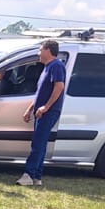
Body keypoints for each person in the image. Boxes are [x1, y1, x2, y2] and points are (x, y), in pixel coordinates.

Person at [16, 40, 67, 187]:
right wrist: (30, 109)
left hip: (49, 112)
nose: (38, 53)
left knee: (38, 143)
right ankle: (37, 176)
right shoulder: (47, 67)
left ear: (48, 51)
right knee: (41, 143)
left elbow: (59, 87)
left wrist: (46, 107)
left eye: (40, 50)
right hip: (41, 111)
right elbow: (40, 93)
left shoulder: (56, 66)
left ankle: (29, 174)